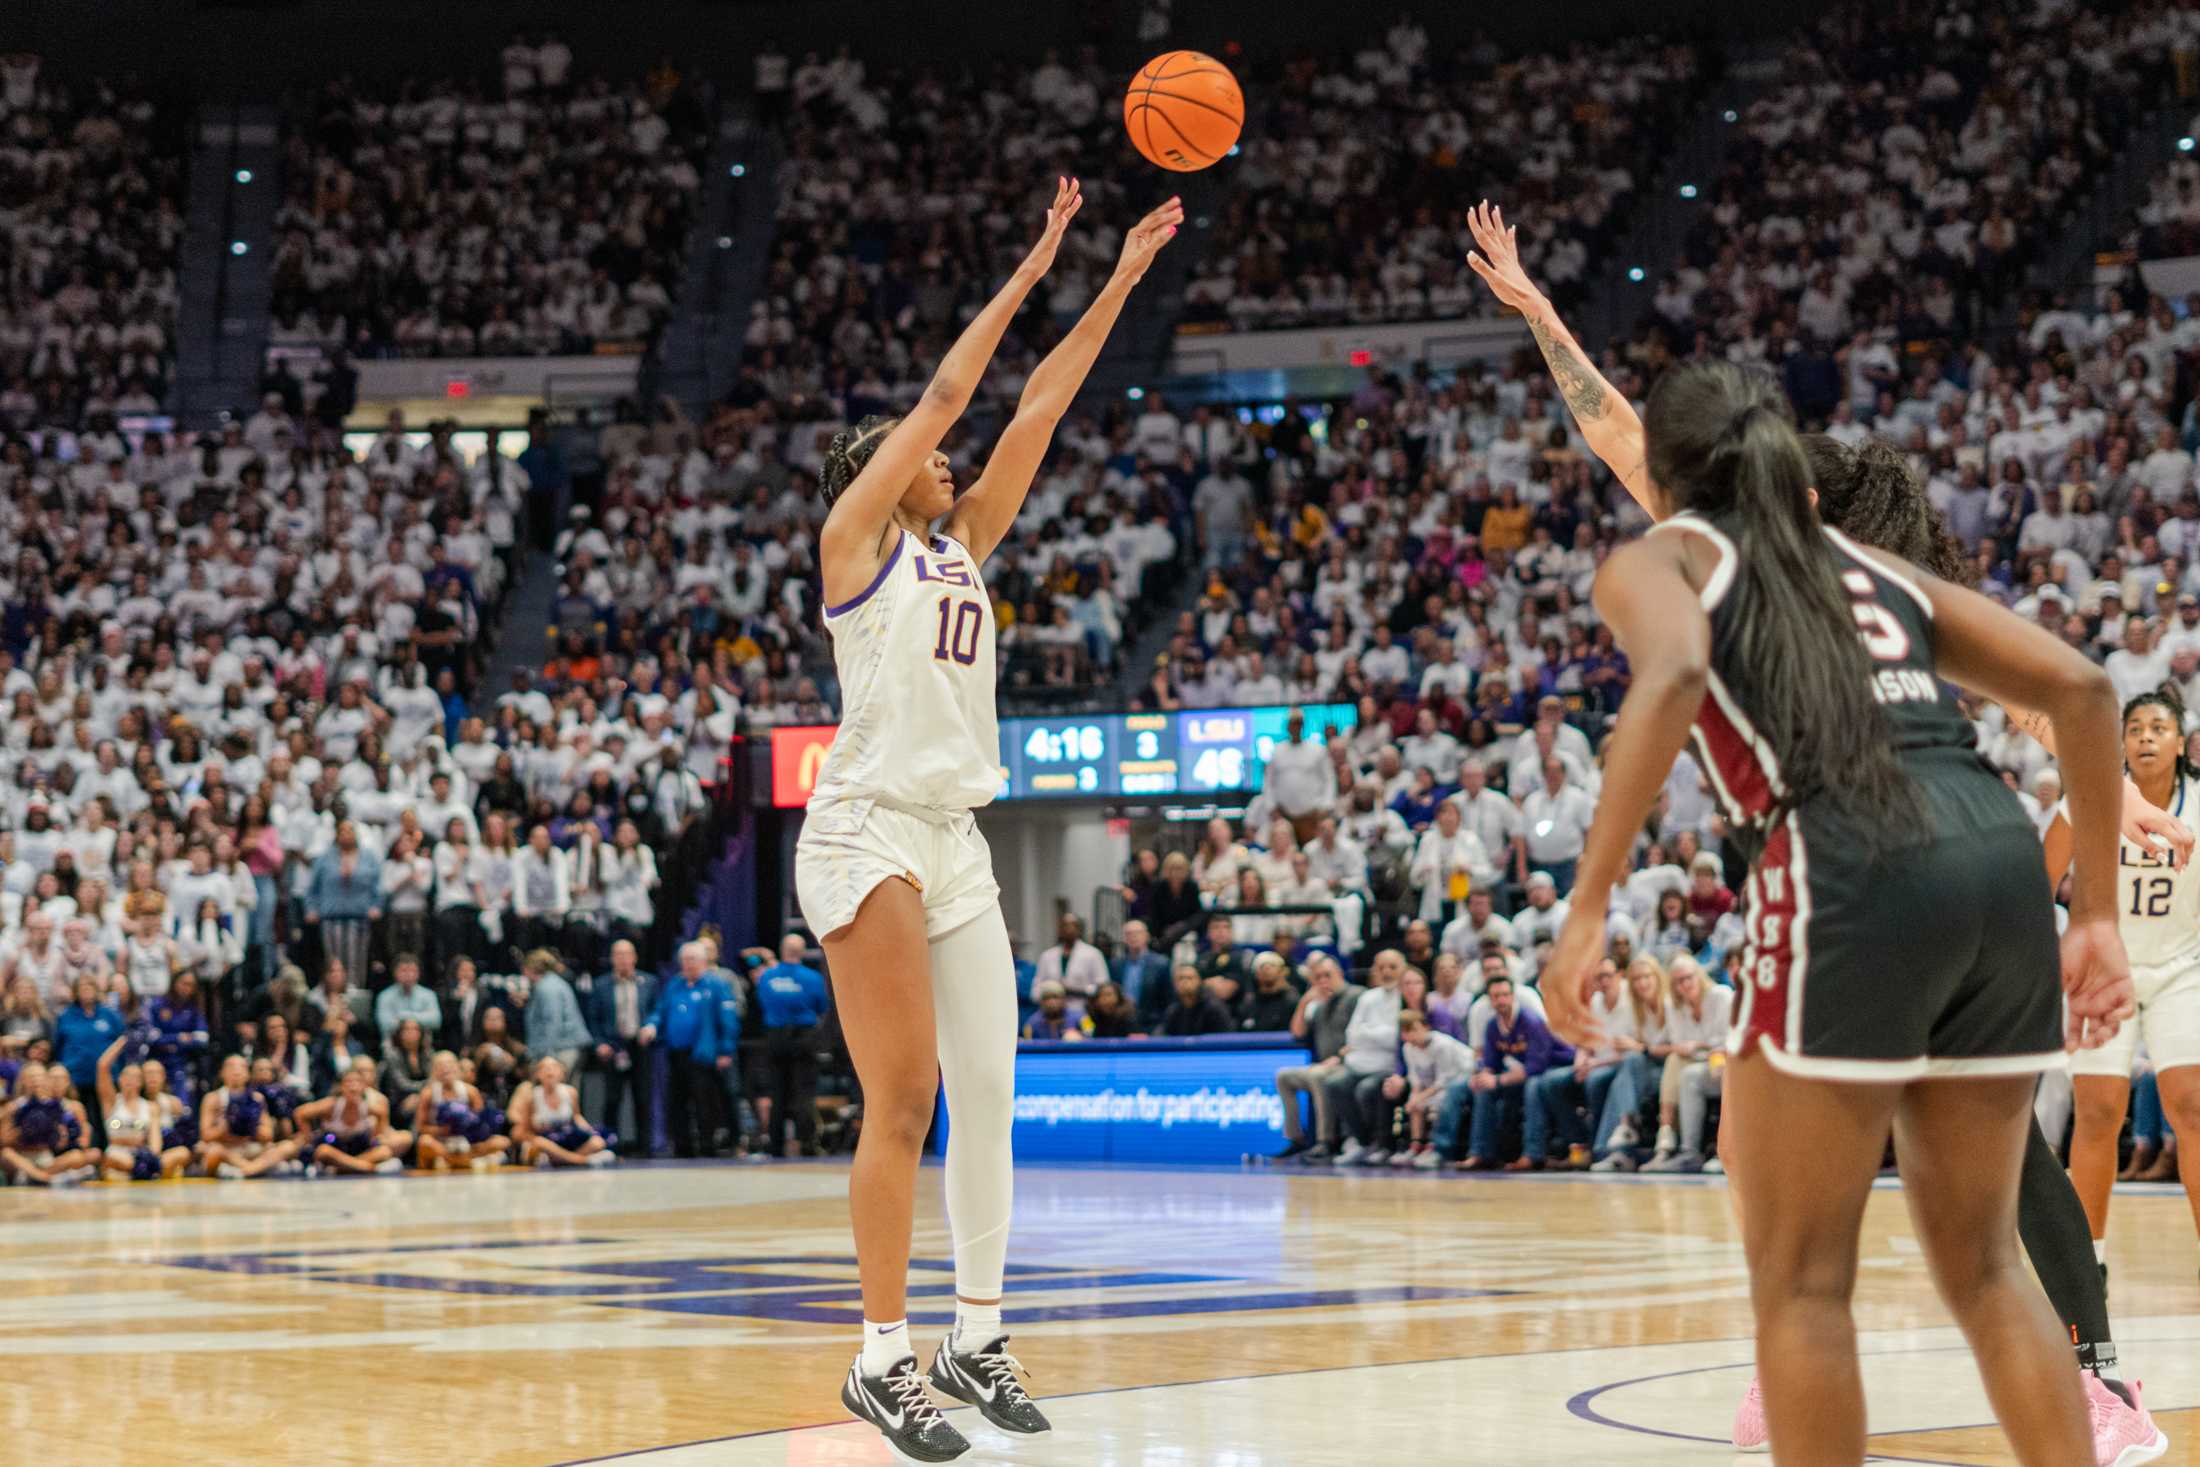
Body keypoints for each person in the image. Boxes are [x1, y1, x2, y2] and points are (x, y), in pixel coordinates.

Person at [1472, 202, 2170, 1460]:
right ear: (1794, 480)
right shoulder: (1880, 572)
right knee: (1981, 1262)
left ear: (1678, 490)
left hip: (1847, 862)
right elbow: (2078, 688)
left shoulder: (1676, 554)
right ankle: (2094, 1390)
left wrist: (1583, 914)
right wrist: (2099, 919)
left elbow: (1672, 671)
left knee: (1801, 1281)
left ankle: (2005, 1372)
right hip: (1994, 851)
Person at [791, 176, 1181, 1458]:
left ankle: (975, 1335)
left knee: (990, 1099)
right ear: (876, 472)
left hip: (953, 836)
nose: (947, 457)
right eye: (919, 453)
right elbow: (953, 399)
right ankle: (878, 1357)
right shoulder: (855, 539)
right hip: (865, 826)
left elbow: (1041, 406)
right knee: (901, 1098)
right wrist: (1032, 264)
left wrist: (1118, 279)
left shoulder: (960, 542)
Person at [2045, 688, 2200, 1257]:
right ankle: (2092, 1264)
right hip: (2104, 974)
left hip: (2183, 969)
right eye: (2134, 728)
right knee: (2099, 1111)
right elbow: (2044, 873)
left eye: (2158, 728)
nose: (2145, 738)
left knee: (2192, 1104)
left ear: (2181, 743)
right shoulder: (2087, 796)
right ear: (2121, 743)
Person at [639, 940, 742, 1159]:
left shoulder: (716, 985)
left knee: (704, 1103)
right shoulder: (674, 985)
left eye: (692, 959)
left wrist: (725, 1050)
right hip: (677, 1054)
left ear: (704, 961)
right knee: (676, 1102)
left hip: (703, 1054)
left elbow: (728, 1020)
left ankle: (707, 1146)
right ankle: (682, 1146)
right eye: (684, 960)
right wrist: (651, 1026)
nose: (687, 964)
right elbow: (661, 1011)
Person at [754, 934, 830, 1156]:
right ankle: (806, 1142)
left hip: (776, 1037)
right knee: (803, 1092)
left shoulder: (767, 977)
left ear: (782, 950)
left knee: (778, 1092)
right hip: (803, 1037)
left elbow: (762, 1002)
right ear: (802, 952)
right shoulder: (812, 978)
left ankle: (776, 1144)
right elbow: (821, 1006)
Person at [586, 940, 658, 1152]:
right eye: (618, 954)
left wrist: (651, 1026)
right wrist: (599, 1044)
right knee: (612, 1098)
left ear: (634, 957)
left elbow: (657, 1011)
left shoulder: (649, 982)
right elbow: (593, 1019)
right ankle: (610, 1145)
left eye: (627, 954)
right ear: (612, 958)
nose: (623, 959)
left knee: (642, 1097)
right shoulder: (601, 985)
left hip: (640, 1046)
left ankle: (645, 1146)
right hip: (613, 1047)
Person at [96, 1034, 189, 1180]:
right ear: (119, 1079)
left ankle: (147, 1169)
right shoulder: (112, 1102)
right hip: (119, 1155)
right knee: (113, 1158)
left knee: (181, 1153)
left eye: (135, 1077)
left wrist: (151, 1157)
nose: (130, 1080)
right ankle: (140, 1170)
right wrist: (123, 1040)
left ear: (141, 1082)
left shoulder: (150, 1107)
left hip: (142, 1155)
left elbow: (155, 1141)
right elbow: (102, 1065)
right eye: (126, 1075)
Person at [294, 1067, 410, 1175]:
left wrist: (377, 1135)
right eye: (348, 1082)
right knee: (323, 1151)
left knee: (384, 1151)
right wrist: (307, 1137)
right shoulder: (332, 1104)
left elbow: (382, 1114)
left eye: (357, 1082)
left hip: (357, 1150)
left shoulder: (369, 1107)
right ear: (341, 1087)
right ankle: (369, 1168)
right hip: (334, 1147)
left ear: (363, 1087)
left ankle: (342, 1169)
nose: (352, 1086)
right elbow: (300, 1113)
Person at [511, 1054, 616, 1168]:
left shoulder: (570, 1092)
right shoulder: (532, 1096)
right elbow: (523, 1130)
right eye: (544, 1068)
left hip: (566, 1138)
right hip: (546, 1141)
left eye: (554, 1067)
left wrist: (589, 1130)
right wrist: (536, 1134)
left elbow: (576, 1117)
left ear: (562, 1073)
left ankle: (564, 1160)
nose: (549, 1070)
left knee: (597, 1142)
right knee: (539, 1143)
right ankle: (582, 1160)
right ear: (538, 1074)